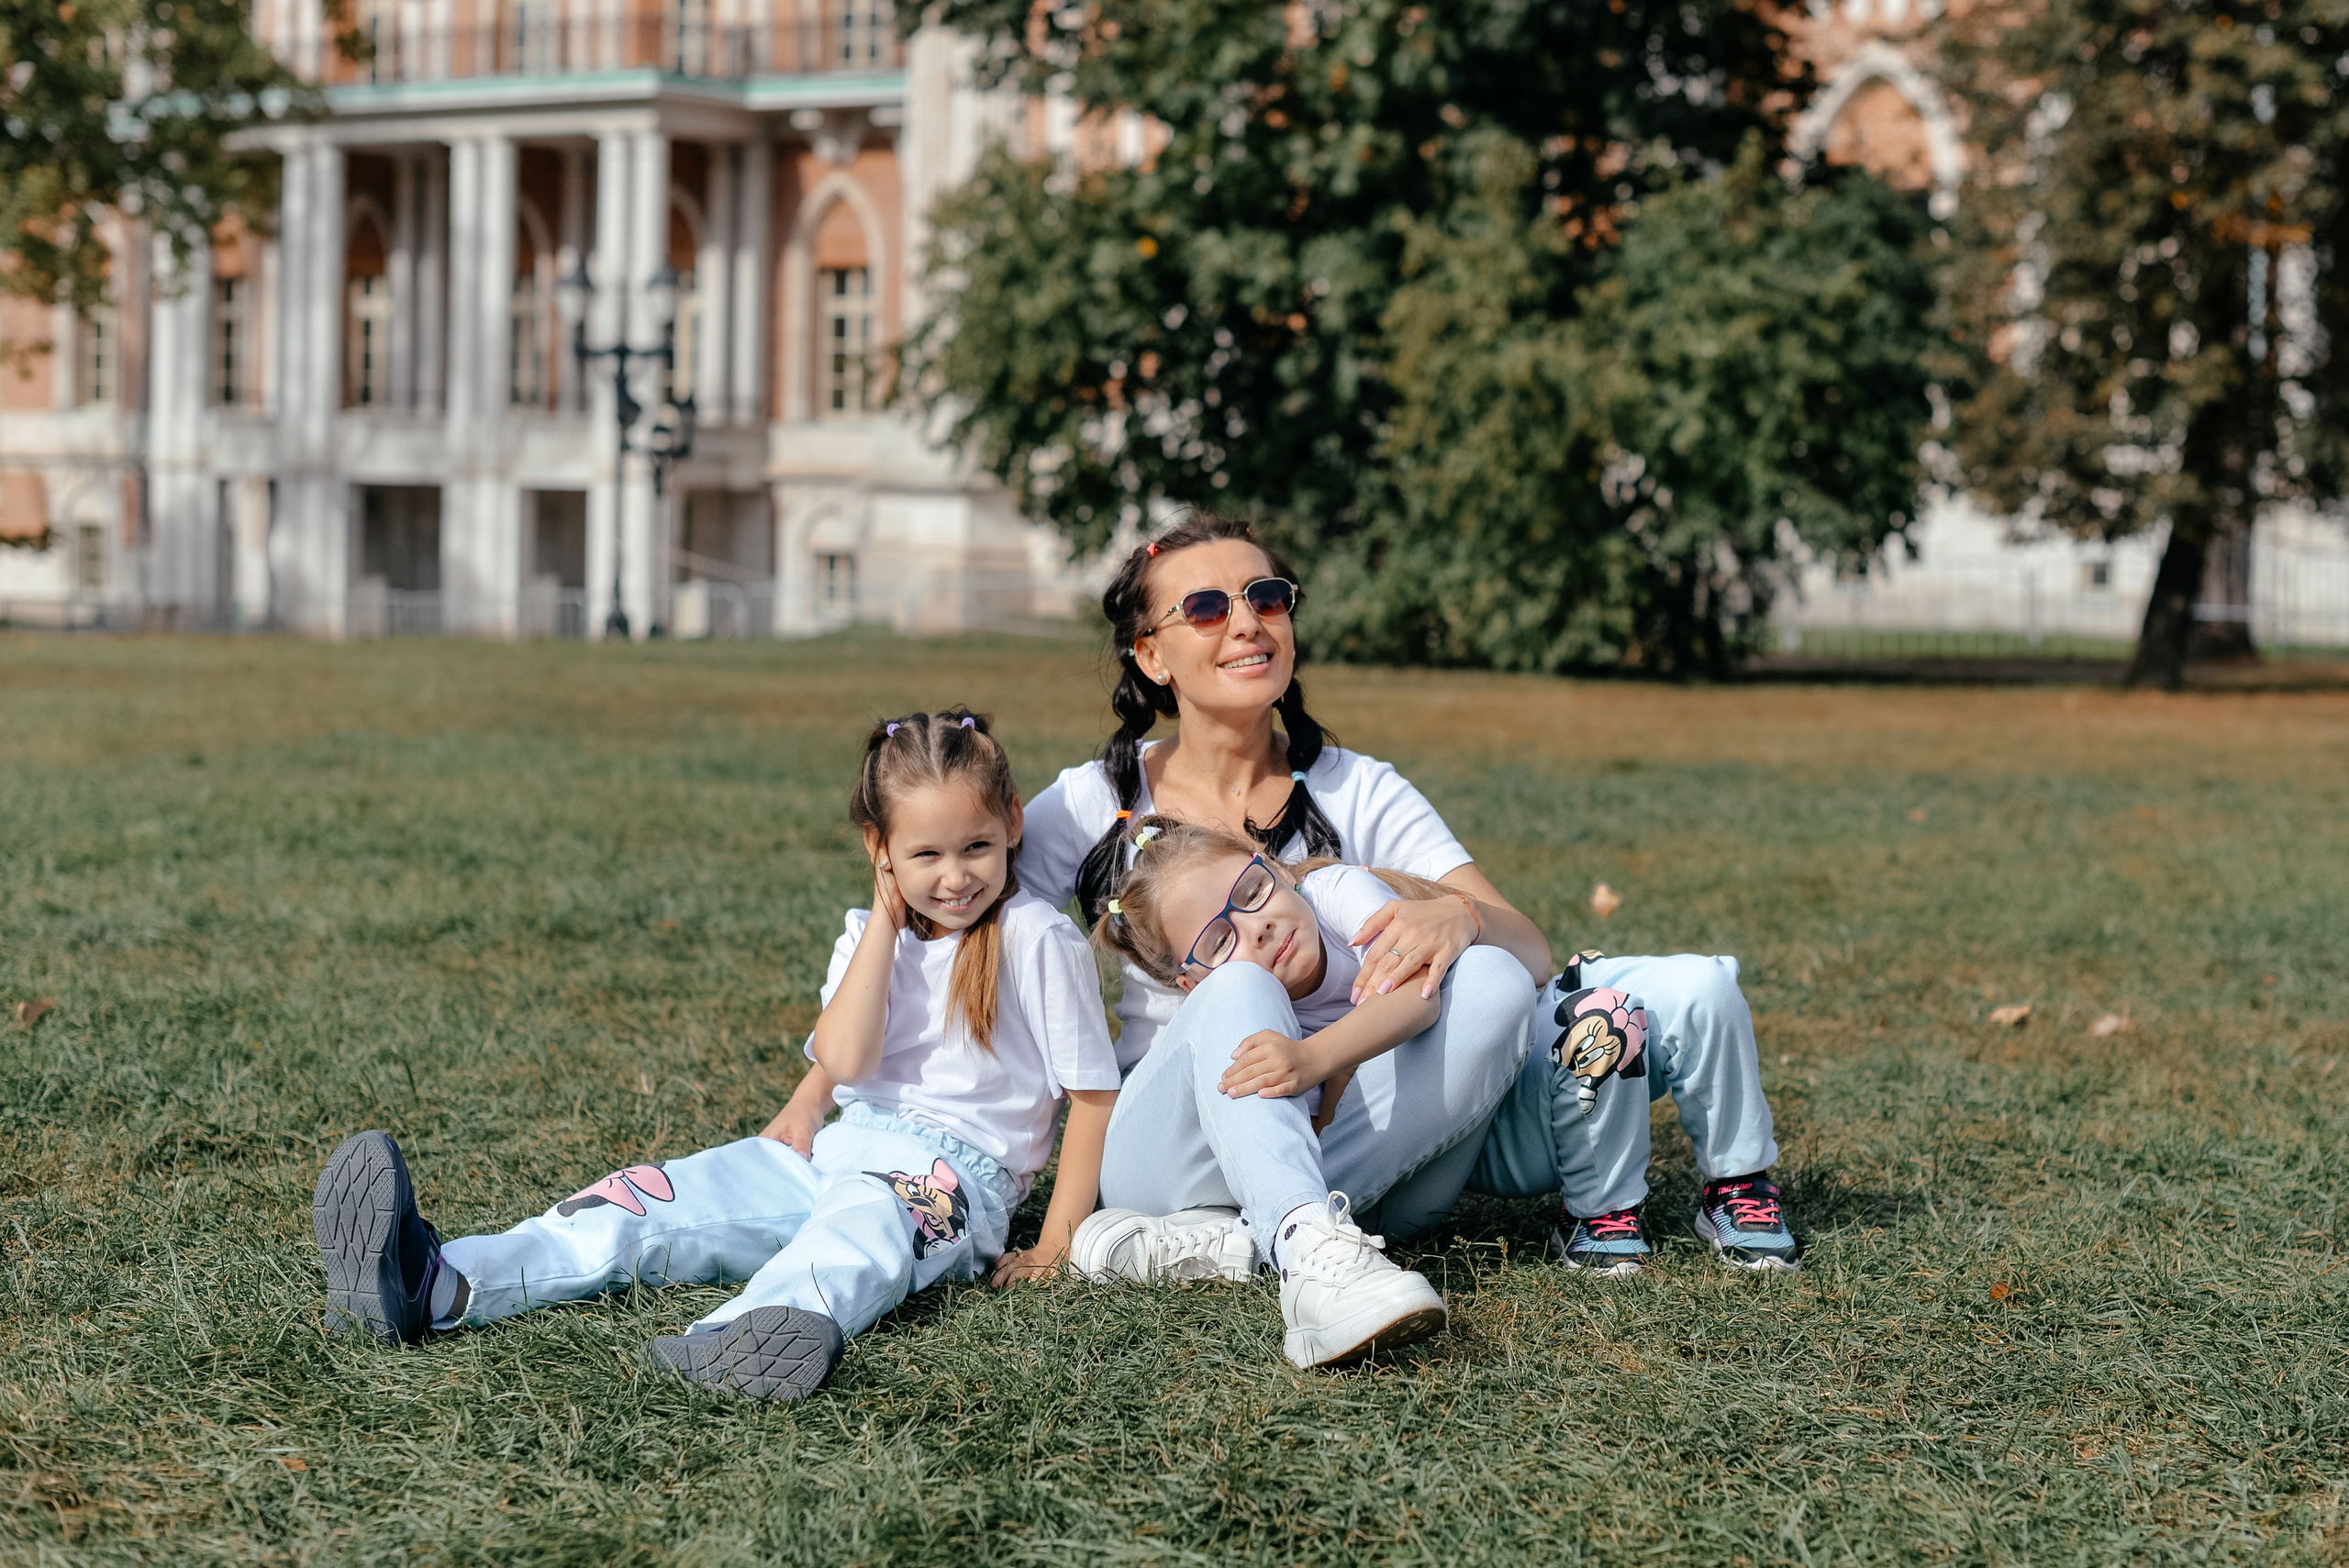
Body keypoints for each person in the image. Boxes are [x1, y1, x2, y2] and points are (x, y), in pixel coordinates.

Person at [308, 709, 1122, 1400]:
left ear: (1014, 820)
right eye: (924, 855)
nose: (956, 877)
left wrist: (1054, 1243)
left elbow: (1092, 1097)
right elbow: (846, 1056)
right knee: (655, 1199)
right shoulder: (867, 934)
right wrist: (880, 923)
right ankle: (443, 1281)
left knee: (863, 1228)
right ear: (880, 849)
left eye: (977, 846)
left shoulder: (1037, 938)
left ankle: (742, 1338)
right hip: (840, 1143)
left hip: (950, 1183)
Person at [1079, 817, 1660, 1322]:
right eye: (1217, 939)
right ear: (1190, 982)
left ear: (1278, 871)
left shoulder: (1335, 894)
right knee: (1244, 982)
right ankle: (1290, 1233)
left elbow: (1420, 992)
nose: (1255, 926)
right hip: (1170, 1177)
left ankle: (1258, 1242)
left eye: (1253, 890)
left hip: (1357, 1187)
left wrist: (1319, 1057)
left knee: (1491, 979)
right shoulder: (1227, 988)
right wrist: (1323, 1062)